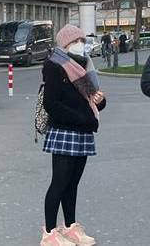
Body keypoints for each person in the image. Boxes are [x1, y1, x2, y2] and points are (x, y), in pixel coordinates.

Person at [39, 24, 106, 246]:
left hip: (84, 131)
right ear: (65, 44)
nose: (81, 45)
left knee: (73, 183)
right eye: (76, 41)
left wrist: (100, 101)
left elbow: (93, 100)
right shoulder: (54, 66)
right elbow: (51, 103)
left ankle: (70, 227)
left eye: (82, 41)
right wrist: (82, 118)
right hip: (64, 131)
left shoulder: (86, 65)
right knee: (59, 182)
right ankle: (49, 233)